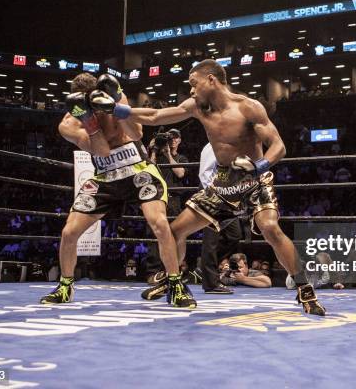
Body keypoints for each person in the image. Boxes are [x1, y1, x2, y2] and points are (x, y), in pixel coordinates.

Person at [89, 59, 325, 315]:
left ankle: (304, 290)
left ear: (211, 80)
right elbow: (157, 116)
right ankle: (173, 281)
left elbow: (279, 146)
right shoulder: (198, 106)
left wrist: (259, 166)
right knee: (174, 231)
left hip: (254, 179)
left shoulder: (249, 108)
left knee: (270, 228)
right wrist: (118, 109)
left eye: (194, 83)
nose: (191, 90)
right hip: (222, 183)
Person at [39, 73, 195, 308]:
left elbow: (137, 134)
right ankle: (65, 286)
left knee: (160, 224)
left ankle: (175, 284)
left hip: (138, 169)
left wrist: (115, 102)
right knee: (69, 232)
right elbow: (101, 150)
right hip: (104, 177)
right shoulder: (69, 124)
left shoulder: (113, 100)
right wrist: (90, 121)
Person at [144, 128, 189, 283]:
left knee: (175, 233)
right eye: (170, 138)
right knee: (154, 233)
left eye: (176, 137)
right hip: (157, 198)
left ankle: (174, 270)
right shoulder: (158, 157)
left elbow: (180, 173)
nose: (173, 140)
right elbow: (149, 170)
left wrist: (169, 154)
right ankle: (154, 273)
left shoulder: (181, 158)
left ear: (179, 140)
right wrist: (154, 151)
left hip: (174, 200)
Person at [199, 143, 239, 294]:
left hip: (229, 195)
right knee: (211, 240)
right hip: (212, 195)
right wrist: (212, 196)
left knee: (234, 236)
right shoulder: (212, 145)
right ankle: (210, 283)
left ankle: (206, 267)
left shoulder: (235, 144)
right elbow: (205, 173)